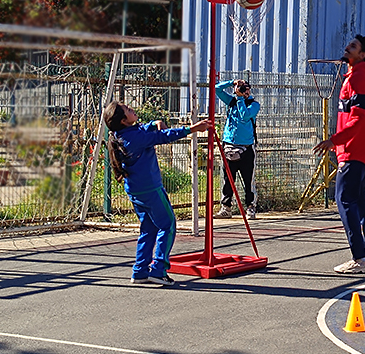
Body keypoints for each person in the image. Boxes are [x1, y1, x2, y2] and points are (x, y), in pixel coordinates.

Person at [104, 101, 211, 286]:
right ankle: (159, 269)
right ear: (123, 120)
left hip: (135, 190)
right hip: (151, 189)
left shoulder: (122, 135)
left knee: (148, 228)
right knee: (168, 225)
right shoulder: (136, 138)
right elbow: (164, 137)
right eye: (128, 110)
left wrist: (154, 123)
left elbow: (145, 130)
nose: (132, 109)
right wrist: (193, 128)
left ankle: (140, 271)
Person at [313, 35, 365, 274]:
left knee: (344, 200)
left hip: (355, 149)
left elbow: (359, 116)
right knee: (359, 198)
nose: (347, 47)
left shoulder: (359, 76)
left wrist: (334, 141)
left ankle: (360, 259)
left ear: (362, 55)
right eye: (349, 44)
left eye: (354, 46)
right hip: (362, 148)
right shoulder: (358, 75)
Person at [214, 78, 260, 221]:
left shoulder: (254, 105)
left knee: (248, 180)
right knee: (228, 179)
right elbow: (216, 89)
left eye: (246, 88)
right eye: (241, 88)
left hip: (246, 148)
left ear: (249, 90)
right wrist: (231, 83)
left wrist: (240, 99)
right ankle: (226, 207)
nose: (243, 91)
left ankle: (250, 207)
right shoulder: (232, 102)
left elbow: (245, 115)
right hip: (229, 146)